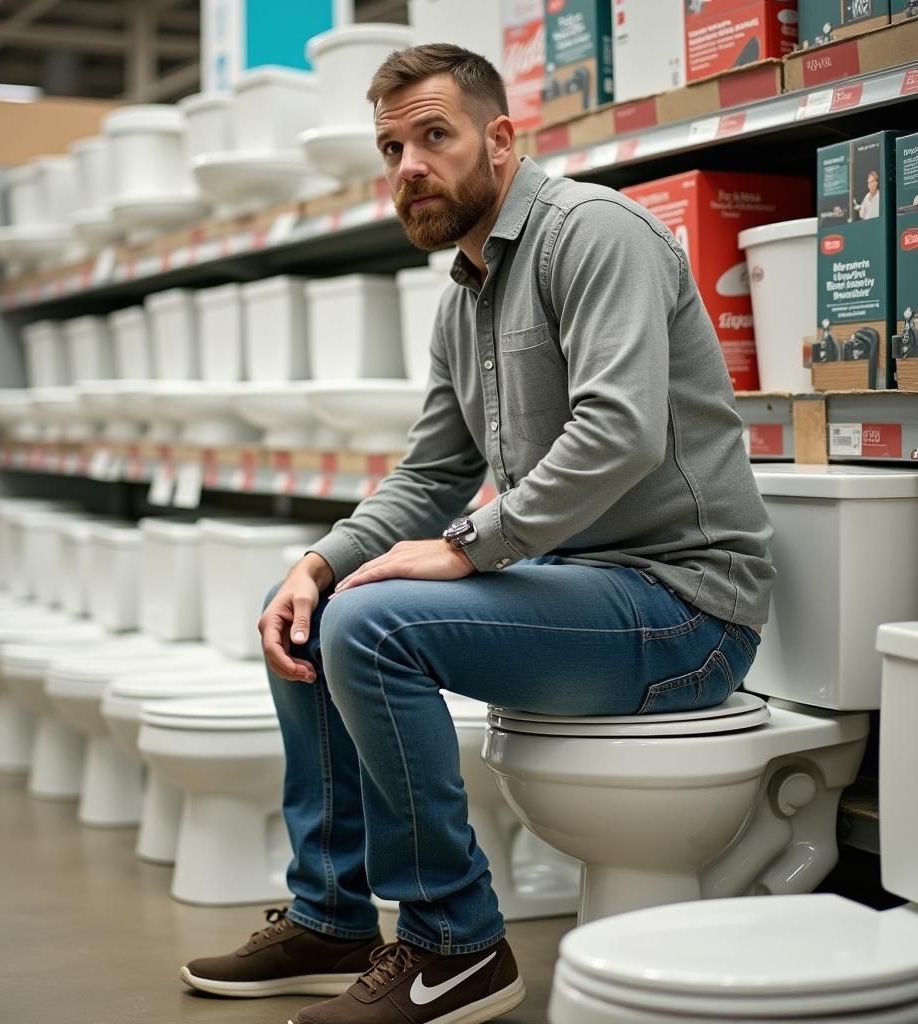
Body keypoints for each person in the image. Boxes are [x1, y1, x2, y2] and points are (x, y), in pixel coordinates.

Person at [180, 43, 774, 1024]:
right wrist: (319, 559)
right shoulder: (465, 295)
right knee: (317, 607)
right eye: (390, 147)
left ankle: (452, 946)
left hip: (684, 607)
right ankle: (333, 916)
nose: (407, 165)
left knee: (375, 628)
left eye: (432, 136)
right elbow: (430, 473)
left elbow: (619, 430)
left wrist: (466, 548)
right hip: (583, 588)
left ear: (501, 140)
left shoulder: (594, 234)